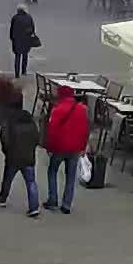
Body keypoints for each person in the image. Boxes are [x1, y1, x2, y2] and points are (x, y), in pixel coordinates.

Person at [42, 85, 90, 215]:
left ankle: (53, 200)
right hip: (75, 149)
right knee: (71, 176)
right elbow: (86, 130)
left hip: (59, 147)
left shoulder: (57, 110)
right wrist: (83, 147)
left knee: (52, 171)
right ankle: (66, 205)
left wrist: (49, 147)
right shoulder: (81, 109)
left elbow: (52, 131)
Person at [0, 95, 43, 216]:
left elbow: (4, 138)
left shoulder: (9, 120)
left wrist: (6, 151)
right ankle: (34, 206)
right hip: (28, 157)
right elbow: (37, 138)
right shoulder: (29, 120)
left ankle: (2, 198)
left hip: (13, 157)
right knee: (31, 182)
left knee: (8, 178)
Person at [8, 4, 37, 77]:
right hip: (26, 39)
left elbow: (11, 29)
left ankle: (17, 74)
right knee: (25, 55)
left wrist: (12, 38)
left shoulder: (15, 18)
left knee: (17, 56)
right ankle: (24, 71)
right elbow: (32, 29)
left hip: (17, 39)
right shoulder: (29, 17)